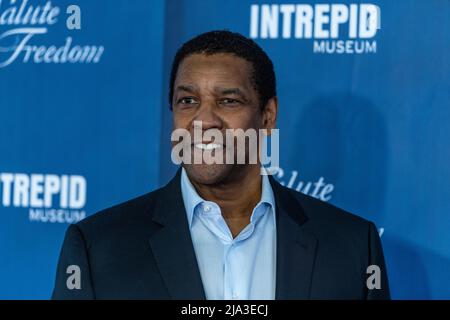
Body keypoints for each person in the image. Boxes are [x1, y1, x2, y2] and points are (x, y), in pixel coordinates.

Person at [52, 30, 390, 299]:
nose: (204, 120)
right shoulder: (98, 248)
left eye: (228, 101)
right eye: (188, 101)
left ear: (268, 115)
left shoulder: (354, 246)